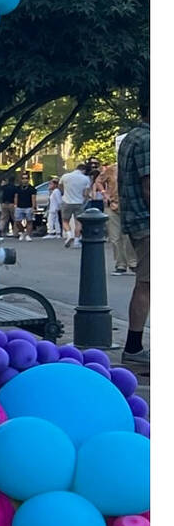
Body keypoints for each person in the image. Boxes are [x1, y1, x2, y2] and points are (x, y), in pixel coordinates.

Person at [117, 103, 150, 371]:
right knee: (148, 284)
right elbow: (151, 186)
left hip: (139, 221)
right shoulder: (148, 140)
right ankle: (134, 347)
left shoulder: (132, 137)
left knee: (147, 284)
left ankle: (135, 345)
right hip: (150, 222)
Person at [59, 159, 93, 244]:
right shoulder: (85, 179)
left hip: (67, 201)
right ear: (83, 170)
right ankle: (77, 240)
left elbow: (60, 186)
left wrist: (64, 193)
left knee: (65, 220)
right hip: (79, 202)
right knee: (78, 222)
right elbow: (86, 193)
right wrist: (85, 200)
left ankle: (69, 234)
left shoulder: (65, 176)